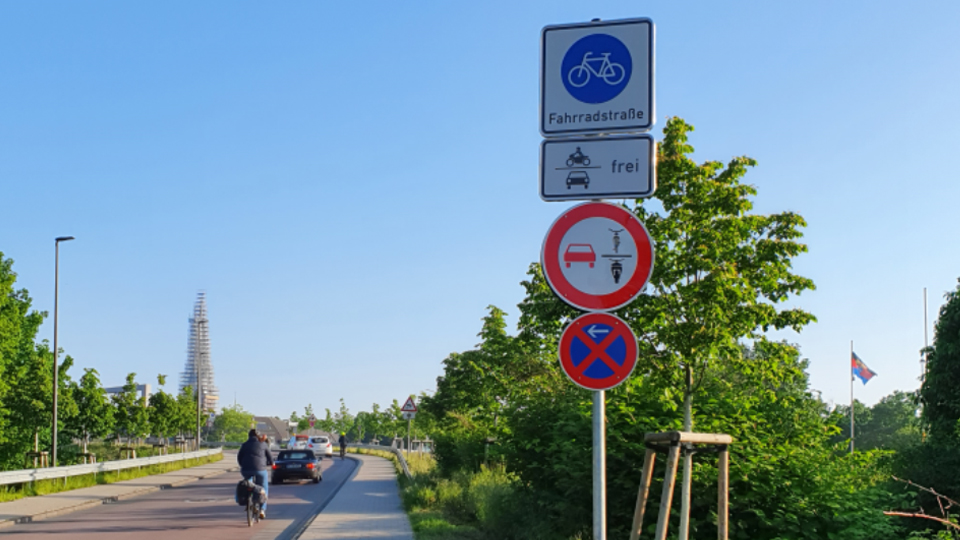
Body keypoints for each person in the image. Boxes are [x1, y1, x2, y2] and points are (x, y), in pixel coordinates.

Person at [238, 429, 273, 519]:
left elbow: (239, 457)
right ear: (258, 436)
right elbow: (270, 457)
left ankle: (247, 502)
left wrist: (243, 465)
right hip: (260, 469)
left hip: (245, 470)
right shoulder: (263, 444)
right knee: (263, 487)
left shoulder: (244, 445)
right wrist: (271, 463)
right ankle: (262, 509)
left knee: (247, 484)